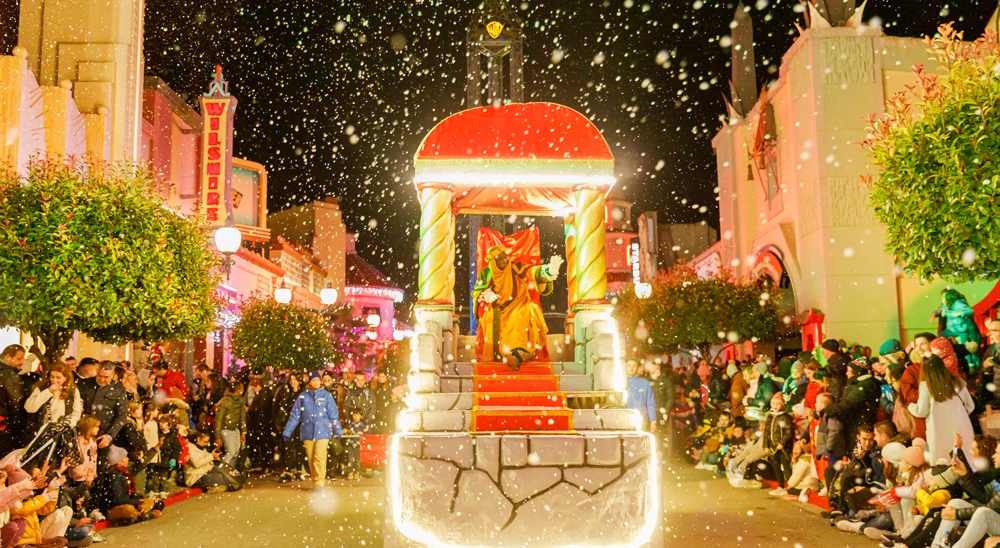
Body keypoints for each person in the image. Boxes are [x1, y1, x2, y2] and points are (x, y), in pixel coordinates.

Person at [472, 245, 563, 370]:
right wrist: (484, 294)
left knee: (529, 311)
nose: (504, 261)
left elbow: (533, 272)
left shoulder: (515, 267)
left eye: (505, 258)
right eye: (500, 259)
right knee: (493, 317)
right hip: (496, 311)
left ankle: (517, 354)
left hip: (519, 306)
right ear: (493, 261)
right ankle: (505, 355)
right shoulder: (486, 273)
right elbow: (477, 291)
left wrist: (548, 271)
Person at [907, 354, 975, 462]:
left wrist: (911, 407)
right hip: (962, 428)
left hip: (939, 432)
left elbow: (922, 411)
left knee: (944, 465)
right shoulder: (958, 382)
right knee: (966, 461)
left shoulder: (926, 386)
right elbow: (970, 406)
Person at [282, 371, 343, 489]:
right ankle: (315, 481)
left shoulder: (326, 396)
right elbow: (295, 415)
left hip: (323, 431)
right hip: (307, 431)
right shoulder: (303, 397)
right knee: (310, 459)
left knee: (319, 457)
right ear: (309, 382)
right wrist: (287, 431)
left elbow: (333, 414)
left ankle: (320, 482)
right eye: (313, 380)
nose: (316, 382)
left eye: (318, 380)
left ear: (320, 382)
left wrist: (337, 429)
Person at [76, 361, 128, 462]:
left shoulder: (118, 390)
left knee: (98, 471)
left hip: (102, 435)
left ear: (113, 375)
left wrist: (109, 436)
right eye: (100, 375)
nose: (102, 379)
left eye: (106, 377)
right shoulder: (85, 384)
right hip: (82, 433)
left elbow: (122, 415)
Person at [272, 374, 304, 483]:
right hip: (289, 423)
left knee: (299, 446)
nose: (293, 381)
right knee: (288, 447)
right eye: (291, 379)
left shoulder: (303, 393)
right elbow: (281, 406)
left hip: (301, 423)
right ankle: (288, 471)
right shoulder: (286, 392)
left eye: (295, 379)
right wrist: (279, 420)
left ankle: (299, 471)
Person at [764, 393, 795, 497]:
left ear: (782, 405)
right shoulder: (770, 417)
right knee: (776, 466)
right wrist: (766, 445)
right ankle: (781, 486)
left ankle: (790, 487)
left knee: (786, 467)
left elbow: (789, 432)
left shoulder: (785, 417)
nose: (775, 405)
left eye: (778, 403)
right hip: (773, 447)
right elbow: (767, 432)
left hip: (783, 448)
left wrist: (782, 443)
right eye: (773, 403)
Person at [0, 344, 27, 454]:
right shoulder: (9, 376)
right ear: (8, 357)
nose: (22, 362)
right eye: (19, 358)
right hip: (5, 425)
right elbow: (17, 405)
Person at [214, 382, 247, 468]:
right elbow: (219, 419)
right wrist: (218, 436)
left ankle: (230, 471)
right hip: (226, 429)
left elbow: (242, 417)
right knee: (231, 452)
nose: (243, 391)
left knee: (235, 452)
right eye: (242, 389)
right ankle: (224, 470)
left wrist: (243, 432)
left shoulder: (241, 400)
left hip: (235, 430)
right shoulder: (225, 401)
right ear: (237, 390)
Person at [343, 409, 368, 481]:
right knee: (350, 459)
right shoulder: (350, 425)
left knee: (357, 460)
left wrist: (364, 443)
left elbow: (366, 435)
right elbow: (345, 431)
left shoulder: (363, 426)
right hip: (351, 445)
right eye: (354, 415)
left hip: (359, 445)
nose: (356, 417)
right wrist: (346, 431)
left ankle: (357, 472)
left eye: (358, 415)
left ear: (361, 416)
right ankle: (350, 472)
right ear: (352, 416)